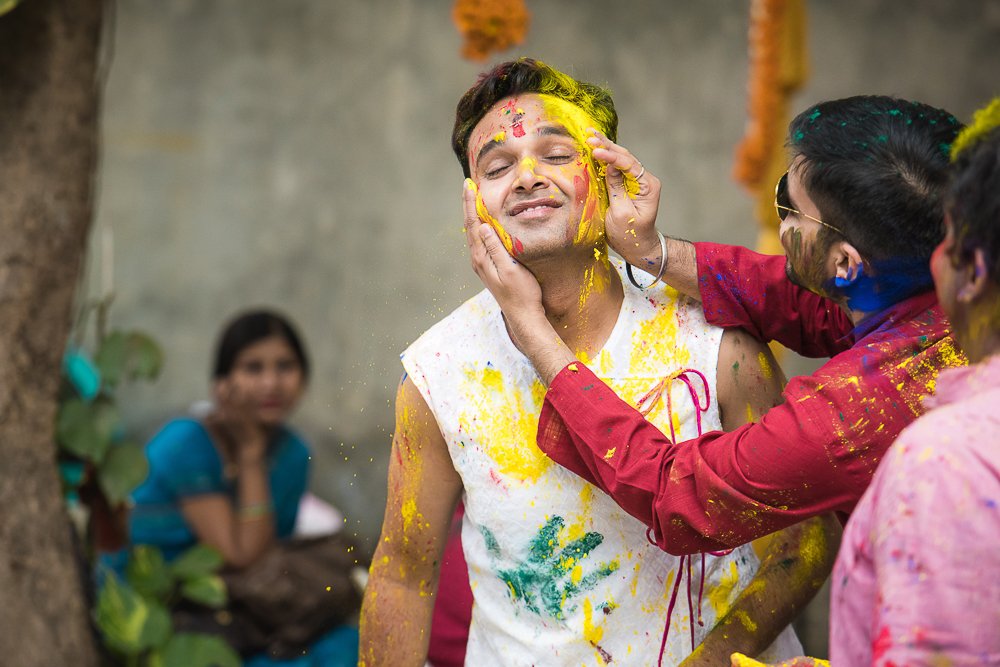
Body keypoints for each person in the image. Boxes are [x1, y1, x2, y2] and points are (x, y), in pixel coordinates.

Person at [359, 58, 833, 667]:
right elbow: (403, 573)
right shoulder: (436, 371)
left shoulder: (717, 338)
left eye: (556, 155)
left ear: (606, 175)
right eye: (498, 167)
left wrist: (715, 657)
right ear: (474, 203)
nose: (527, 177)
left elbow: (803, 541)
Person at [469, 94, 967, 555]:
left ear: (845, 265)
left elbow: (682, 499)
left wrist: (533, 331)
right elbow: (804, 303)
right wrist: (652, 251)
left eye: (789, 209)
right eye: (497, 166)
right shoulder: (952, 293)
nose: (528, 178)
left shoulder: (855, 411)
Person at [733, 100, 1000, 667]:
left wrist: (543, 344)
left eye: (946, 240)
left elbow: (682, 493)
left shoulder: (935, 459)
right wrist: (656, 253)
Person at [120, 309, 358, 666]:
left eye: (285, 367)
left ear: (304, 378)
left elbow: (265, 561)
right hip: (167, 607)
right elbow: (241, 557)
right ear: (223, 383)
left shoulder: (293, 453)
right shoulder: (187, 443)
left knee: (351, 646)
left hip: (244, 606)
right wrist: (249, 453)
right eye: (253, 368)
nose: (271, 383)